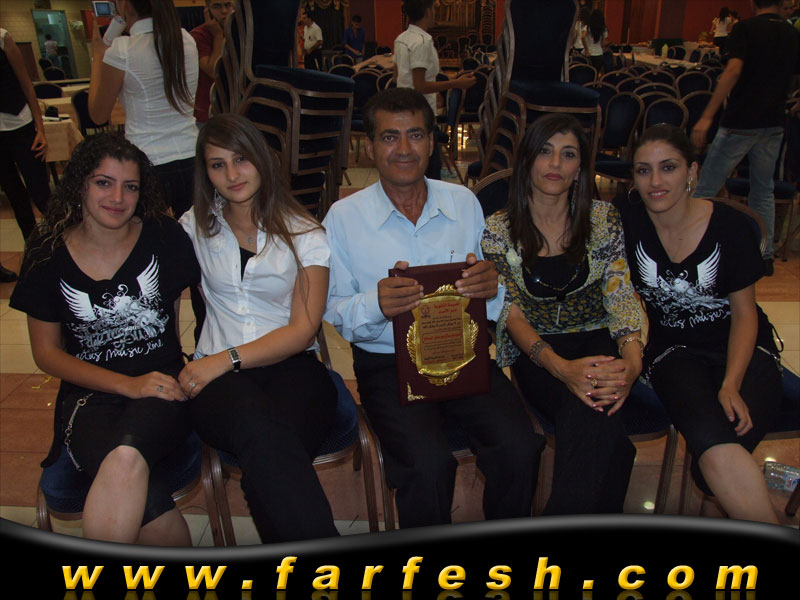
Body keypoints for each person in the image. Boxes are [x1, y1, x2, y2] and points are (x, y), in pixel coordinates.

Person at [323, 88, 544, 529]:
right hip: (388, 365)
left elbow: (493, 292)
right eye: (390, 137)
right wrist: (376, 304)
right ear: (371, 147)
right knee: (426, 466)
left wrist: (490, 287)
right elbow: (333, 309)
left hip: (465, 357)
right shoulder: (343, 218)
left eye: (416, 135)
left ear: (430, 143)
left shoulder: (463, 202)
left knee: (519, 447)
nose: (404, 149)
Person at [9, 132, 201, 544]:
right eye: (103, 182)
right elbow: (46, 354)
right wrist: (126, 384)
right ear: (79, 184)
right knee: (142, 493)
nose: (118, 197)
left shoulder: (163, 237)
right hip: (89, 398)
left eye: (130, 186)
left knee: (126, 458)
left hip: (161, 388)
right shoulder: (46, 251)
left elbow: (172, 327)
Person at [178, 113, 339, 543]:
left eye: (241, 159)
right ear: (206, 173)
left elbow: (303, 330)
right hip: (218, 384)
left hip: (292, 367)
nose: (232, 175)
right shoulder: (194, 227)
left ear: (262, 160)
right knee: (264, 439)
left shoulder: (305, 232)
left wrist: (225, 361)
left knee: (266, 463)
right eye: (218, 165)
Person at [615, 124, 782, 524]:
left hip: (743, 347)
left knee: (729, 435)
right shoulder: (626, 220)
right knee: (710, 438)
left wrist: (730, 384)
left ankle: (714, 498)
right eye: (643, 170)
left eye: (668, 167)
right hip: (674, 352)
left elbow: (744, 314)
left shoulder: (729, 227)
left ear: (692, 171)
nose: (656, 182)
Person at [482, 113, 642, 515]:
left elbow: (621, 293)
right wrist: (561, 368)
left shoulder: (603, 218)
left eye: (568, 154)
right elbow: (511, 313)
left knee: (595, 411)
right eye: (545, 151)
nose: (555, 163)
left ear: (579, 169)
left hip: (600, 341)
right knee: (598, 420)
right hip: (538, 351)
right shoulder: (498, 229)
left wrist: (632, 365)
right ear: (526, 161)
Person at [691, 0, 800, 276]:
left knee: (707, 187)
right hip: (773, 122)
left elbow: (733, 70)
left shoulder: (745, 29)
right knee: (763, 189)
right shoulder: (791, 33)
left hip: (741, 121)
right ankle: (764, 253)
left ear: (754, 3)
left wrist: (707, 115)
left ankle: (691, 244)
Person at [88, 0, 199, 220]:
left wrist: (98, 56)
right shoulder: (186, 39)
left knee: (152, 235)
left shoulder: (122, 50)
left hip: (148, 161)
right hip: (192, 155)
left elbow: (97, 115)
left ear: (127, 6)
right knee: (196, 233)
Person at [394, 0, 475, 180]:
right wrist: (455, 83)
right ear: (428, 12)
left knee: (414, 171)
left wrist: (436, 90)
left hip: (403, 110)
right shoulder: (422, 41)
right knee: (429, 172)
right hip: (420, 112)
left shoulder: (401, 38)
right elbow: (420, 86)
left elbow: (396, 76)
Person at [0, 26, 50, 282]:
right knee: (15, 196)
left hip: (21, 124)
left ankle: (66, 248)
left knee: (41, 194)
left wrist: (40, 128)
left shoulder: (3, 38)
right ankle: (35, 256)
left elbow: (26, 84)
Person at [190, 1, 234, 128]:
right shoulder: (198, 36)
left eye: (228, 5)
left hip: (234, 110)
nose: (224, 11)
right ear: (207, 11)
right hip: (206, 114)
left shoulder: (241, 32)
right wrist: (218, 36)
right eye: (217, 6)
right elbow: (214, 72)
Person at [582, 9, 609, 74]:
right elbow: (602, 44)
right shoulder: (604, 29)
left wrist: (586, 49)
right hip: (598, 54)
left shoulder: (587, 27)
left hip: (588, 54)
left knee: (587, 74)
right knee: (595, 74)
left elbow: (583, 37)